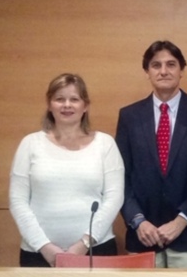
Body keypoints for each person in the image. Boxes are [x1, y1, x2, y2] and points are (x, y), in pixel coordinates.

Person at [116, 40, 187, 268]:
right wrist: (138, 221)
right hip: (142, 236)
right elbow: (122, 176)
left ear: (182, 70)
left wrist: (181, 221)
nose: (163, 71)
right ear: (147, 72)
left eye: (171, 64)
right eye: (156, 65)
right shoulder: (129, 116)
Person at [9, 73, 124, 267]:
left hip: (96, 251)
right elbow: (17, 201)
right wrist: (44, 247)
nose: (67, 105)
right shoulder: (30, 144)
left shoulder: (105, 144)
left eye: (74, 99)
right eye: (59, 99)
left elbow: (114, 198)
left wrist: (83, 244)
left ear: (85, 106)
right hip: (38, 254)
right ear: (49, 104)